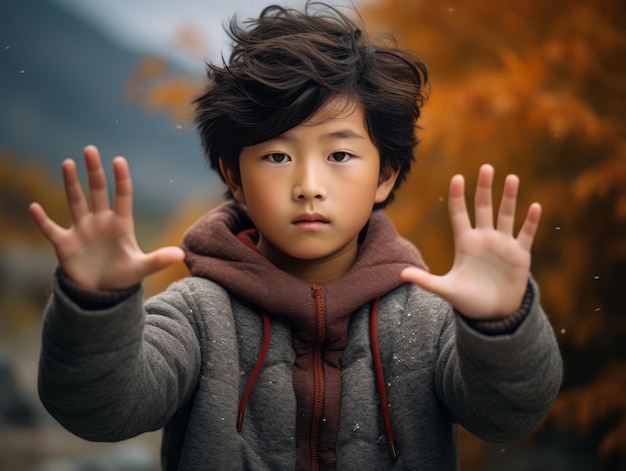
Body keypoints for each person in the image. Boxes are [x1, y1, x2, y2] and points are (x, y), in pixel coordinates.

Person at [29, 2, 563, 470]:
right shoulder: (197, 313)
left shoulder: (425, 319)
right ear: (233, 176)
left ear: (385, 175)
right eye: (278, 156)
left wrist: (500, 324)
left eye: (340, 155)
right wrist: (95, 306)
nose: (308, 186)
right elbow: (99, 412)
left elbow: (507, 417)